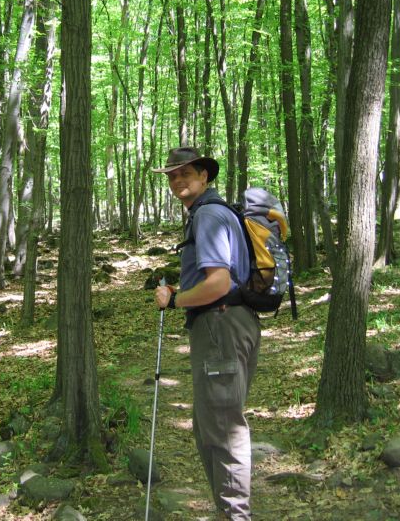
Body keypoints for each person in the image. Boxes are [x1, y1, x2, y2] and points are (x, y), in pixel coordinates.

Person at [152, 146, 261, 520]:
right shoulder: (213, 213)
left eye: (185, 173)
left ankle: (235, 516)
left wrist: (175, 300)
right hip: (227, 324)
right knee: (211, 425)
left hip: (220, 323)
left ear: (204, 176)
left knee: (223, 430)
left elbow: (217, 284)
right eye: (172, 175)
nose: (177, 180)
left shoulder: (210, 217)